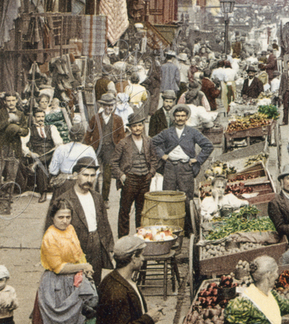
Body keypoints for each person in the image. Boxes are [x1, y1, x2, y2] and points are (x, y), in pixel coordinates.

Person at [27, 198, 98, 324]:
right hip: (55, 285)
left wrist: (85, 266)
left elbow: (78, 253)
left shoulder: (70, 229)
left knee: (79, 321)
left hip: (74, 280)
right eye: (60, 217)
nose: (65, 221)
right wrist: (82, 267)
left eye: (68, 217)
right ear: (52, 217)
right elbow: (59, 268)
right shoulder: (49, 237)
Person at [89, 236, 164, 324]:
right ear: (133, 258)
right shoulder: (117, 292)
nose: (143, 259)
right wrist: (149, 319)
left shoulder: (116, 279)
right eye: (141, 256)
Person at [45, 157, 113, 285]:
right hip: (75, 246)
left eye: (92, 176)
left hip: (96, 245)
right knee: (74, 283)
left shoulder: (97, 197)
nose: (89, 179)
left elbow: (104, 223)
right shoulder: (64, 200)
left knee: (94, 282)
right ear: (76, 175)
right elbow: (51, 228)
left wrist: (109, 246)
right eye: (85, 175)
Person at [151, 104, 214, 200]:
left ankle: (187, 215)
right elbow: (152, 143)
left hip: (186, 168)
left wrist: (198, 159)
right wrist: (162, 155)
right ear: (174, 117)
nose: (180, 118)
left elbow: (208, 145)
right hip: (170, 168)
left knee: (187, 197)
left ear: (186, 117)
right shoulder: (167, 132)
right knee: (168, 196)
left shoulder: (193, 132)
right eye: (178, 116)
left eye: (183, 116)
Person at [112, 107, 158, 237]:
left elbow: (154, 159)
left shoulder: (148, 141)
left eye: (139, 125)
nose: (137, 128)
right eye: (134, 126)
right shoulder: (123, 143)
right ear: (130, 128)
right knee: (125, 211)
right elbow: (114, 162)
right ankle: (123, 239)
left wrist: (151, 173)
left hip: (145, 180)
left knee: (141, 211)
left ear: (143, 126)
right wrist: (121, 175)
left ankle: (140, 238)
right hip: (130, 180)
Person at [83, 92, 126, 203]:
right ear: (102, 106)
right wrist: (86, 147)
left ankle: (105, 199)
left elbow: (122, 137)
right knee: (94, 173)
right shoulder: (95, 118)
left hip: (110, 150)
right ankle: (94, 196)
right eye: (106, 105)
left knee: (107, 176)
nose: (109, 108)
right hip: (96, 149)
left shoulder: (118, 119)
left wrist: (121, 151)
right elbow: (88, 134)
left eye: (111, 105)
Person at [23, 108, 63, 203]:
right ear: (33, 118)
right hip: (37, 155)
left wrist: (55, 151)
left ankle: (37, 163)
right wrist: (30, 153)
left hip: (51, 155)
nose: (40, 119)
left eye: (42, 116)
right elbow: (22, 145)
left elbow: (59, 143)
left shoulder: (51, 128)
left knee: (44, 160)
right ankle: (43, 192)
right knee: (42, 166)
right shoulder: (29, 130)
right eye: (38, 117)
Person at [0, 93, 29, 161]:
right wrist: (8, 121)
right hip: (1, 146)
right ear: (4, 102)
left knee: (14, 169)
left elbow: (26, 131)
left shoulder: (21, 114)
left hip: (15, 147)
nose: (11, 103)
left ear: (16, 100)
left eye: (13, 100)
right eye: (8, 101)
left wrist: (18, 129)